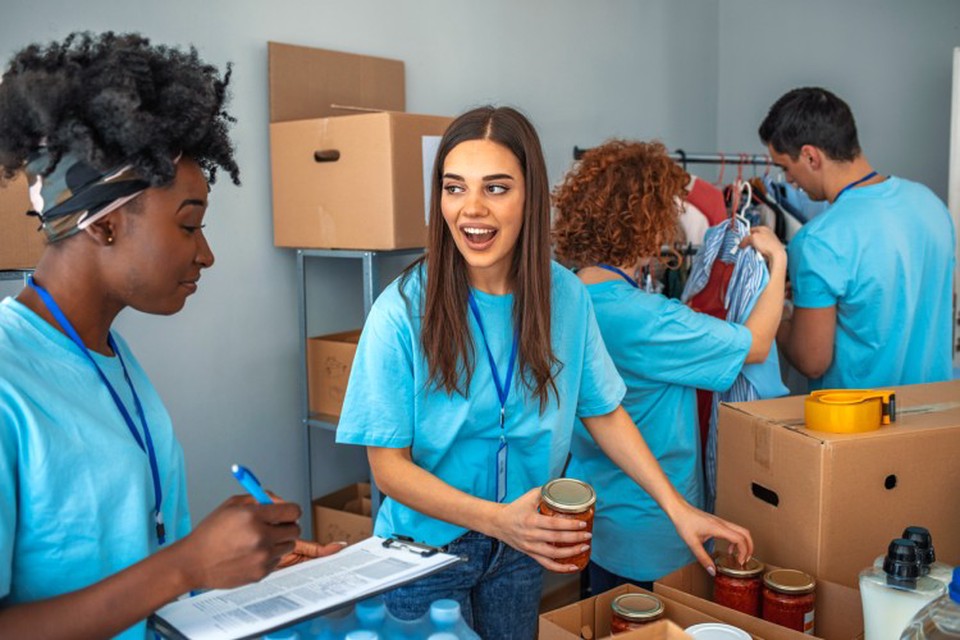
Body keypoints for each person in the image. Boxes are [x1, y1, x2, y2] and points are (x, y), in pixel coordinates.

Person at [335, 107, 753, 639]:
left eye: (496, 187)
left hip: (521, 547)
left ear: (530, 196)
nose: (472, 209)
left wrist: (677, 508)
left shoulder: (567, 299)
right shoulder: (401, 310)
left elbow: (603, 412)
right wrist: (496, 519)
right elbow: (388, 469)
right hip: (424, 556)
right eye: (454, 188)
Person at [0, 32, 340, 640]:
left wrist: (223, 572)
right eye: (189, 225)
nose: (206, 254)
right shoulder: (9, 381)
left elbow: (124, 566)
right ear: (103, 226)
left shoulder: (108, 353)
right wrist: (185, 563)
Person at [551, 139, 786, 593]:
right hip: (656, 531)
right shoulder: (646, 318)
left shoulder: (566, 296)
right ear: (648, 222)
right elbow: (755, 345)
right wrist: (777, 262)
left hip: (595, 519)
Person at [759, 87, 956, 389]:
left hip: (859, 425)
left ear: (811, 156)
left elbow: (812, 360)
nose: (788, 180)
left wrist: (775, 315)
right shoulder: (931, 204)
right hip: (935, 418)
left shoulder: (819, 240)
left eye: (785, 167)